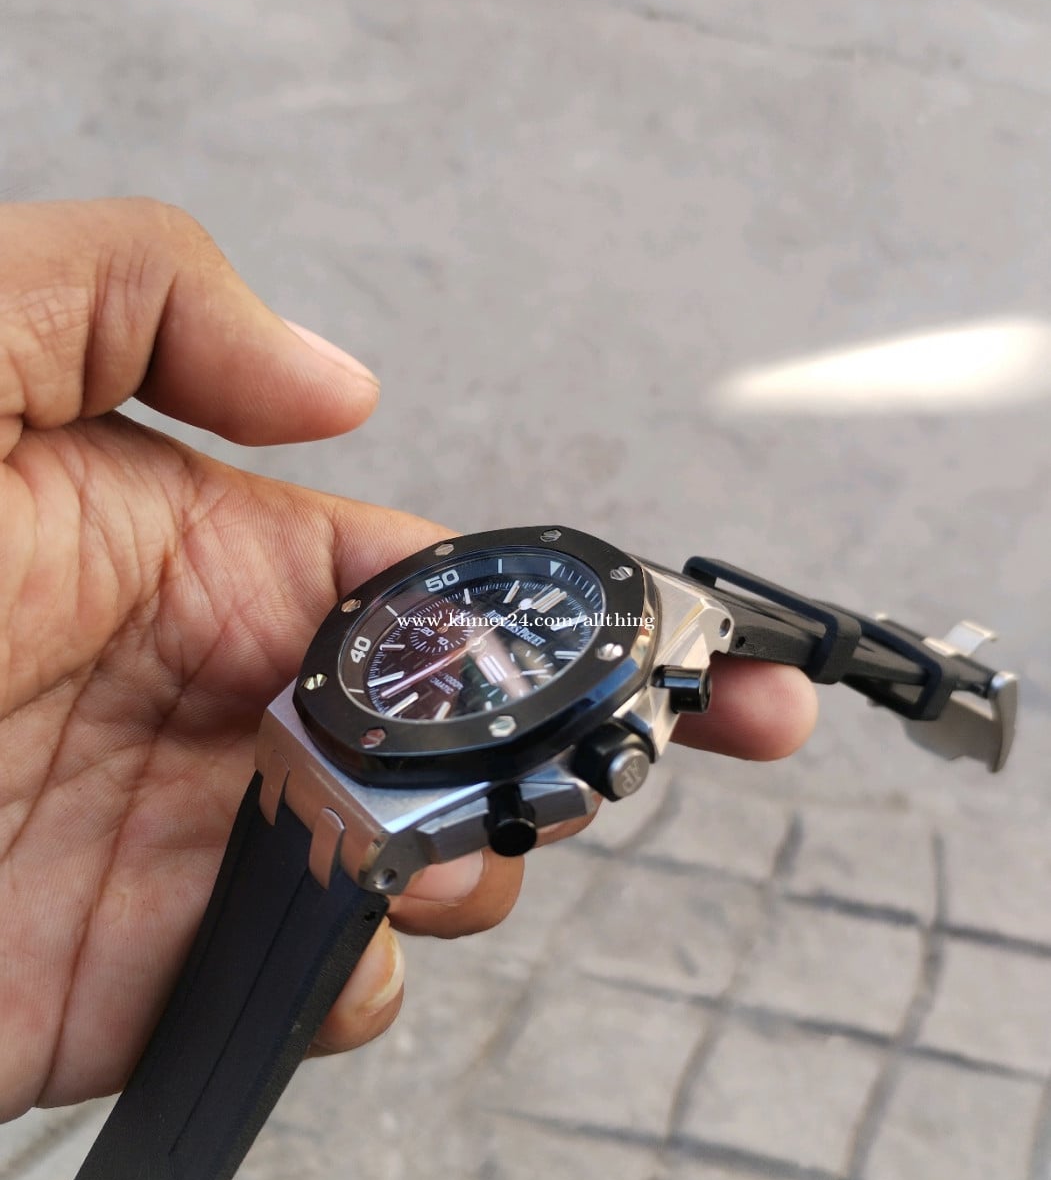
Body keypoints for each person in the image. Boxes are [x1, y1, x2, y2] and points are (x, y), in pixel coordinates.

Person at [0, 198, 818, 1124]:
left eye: (498, 658)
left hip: (364, 752)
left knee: (389, 925)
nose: (479, 653)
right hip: (337, 738)